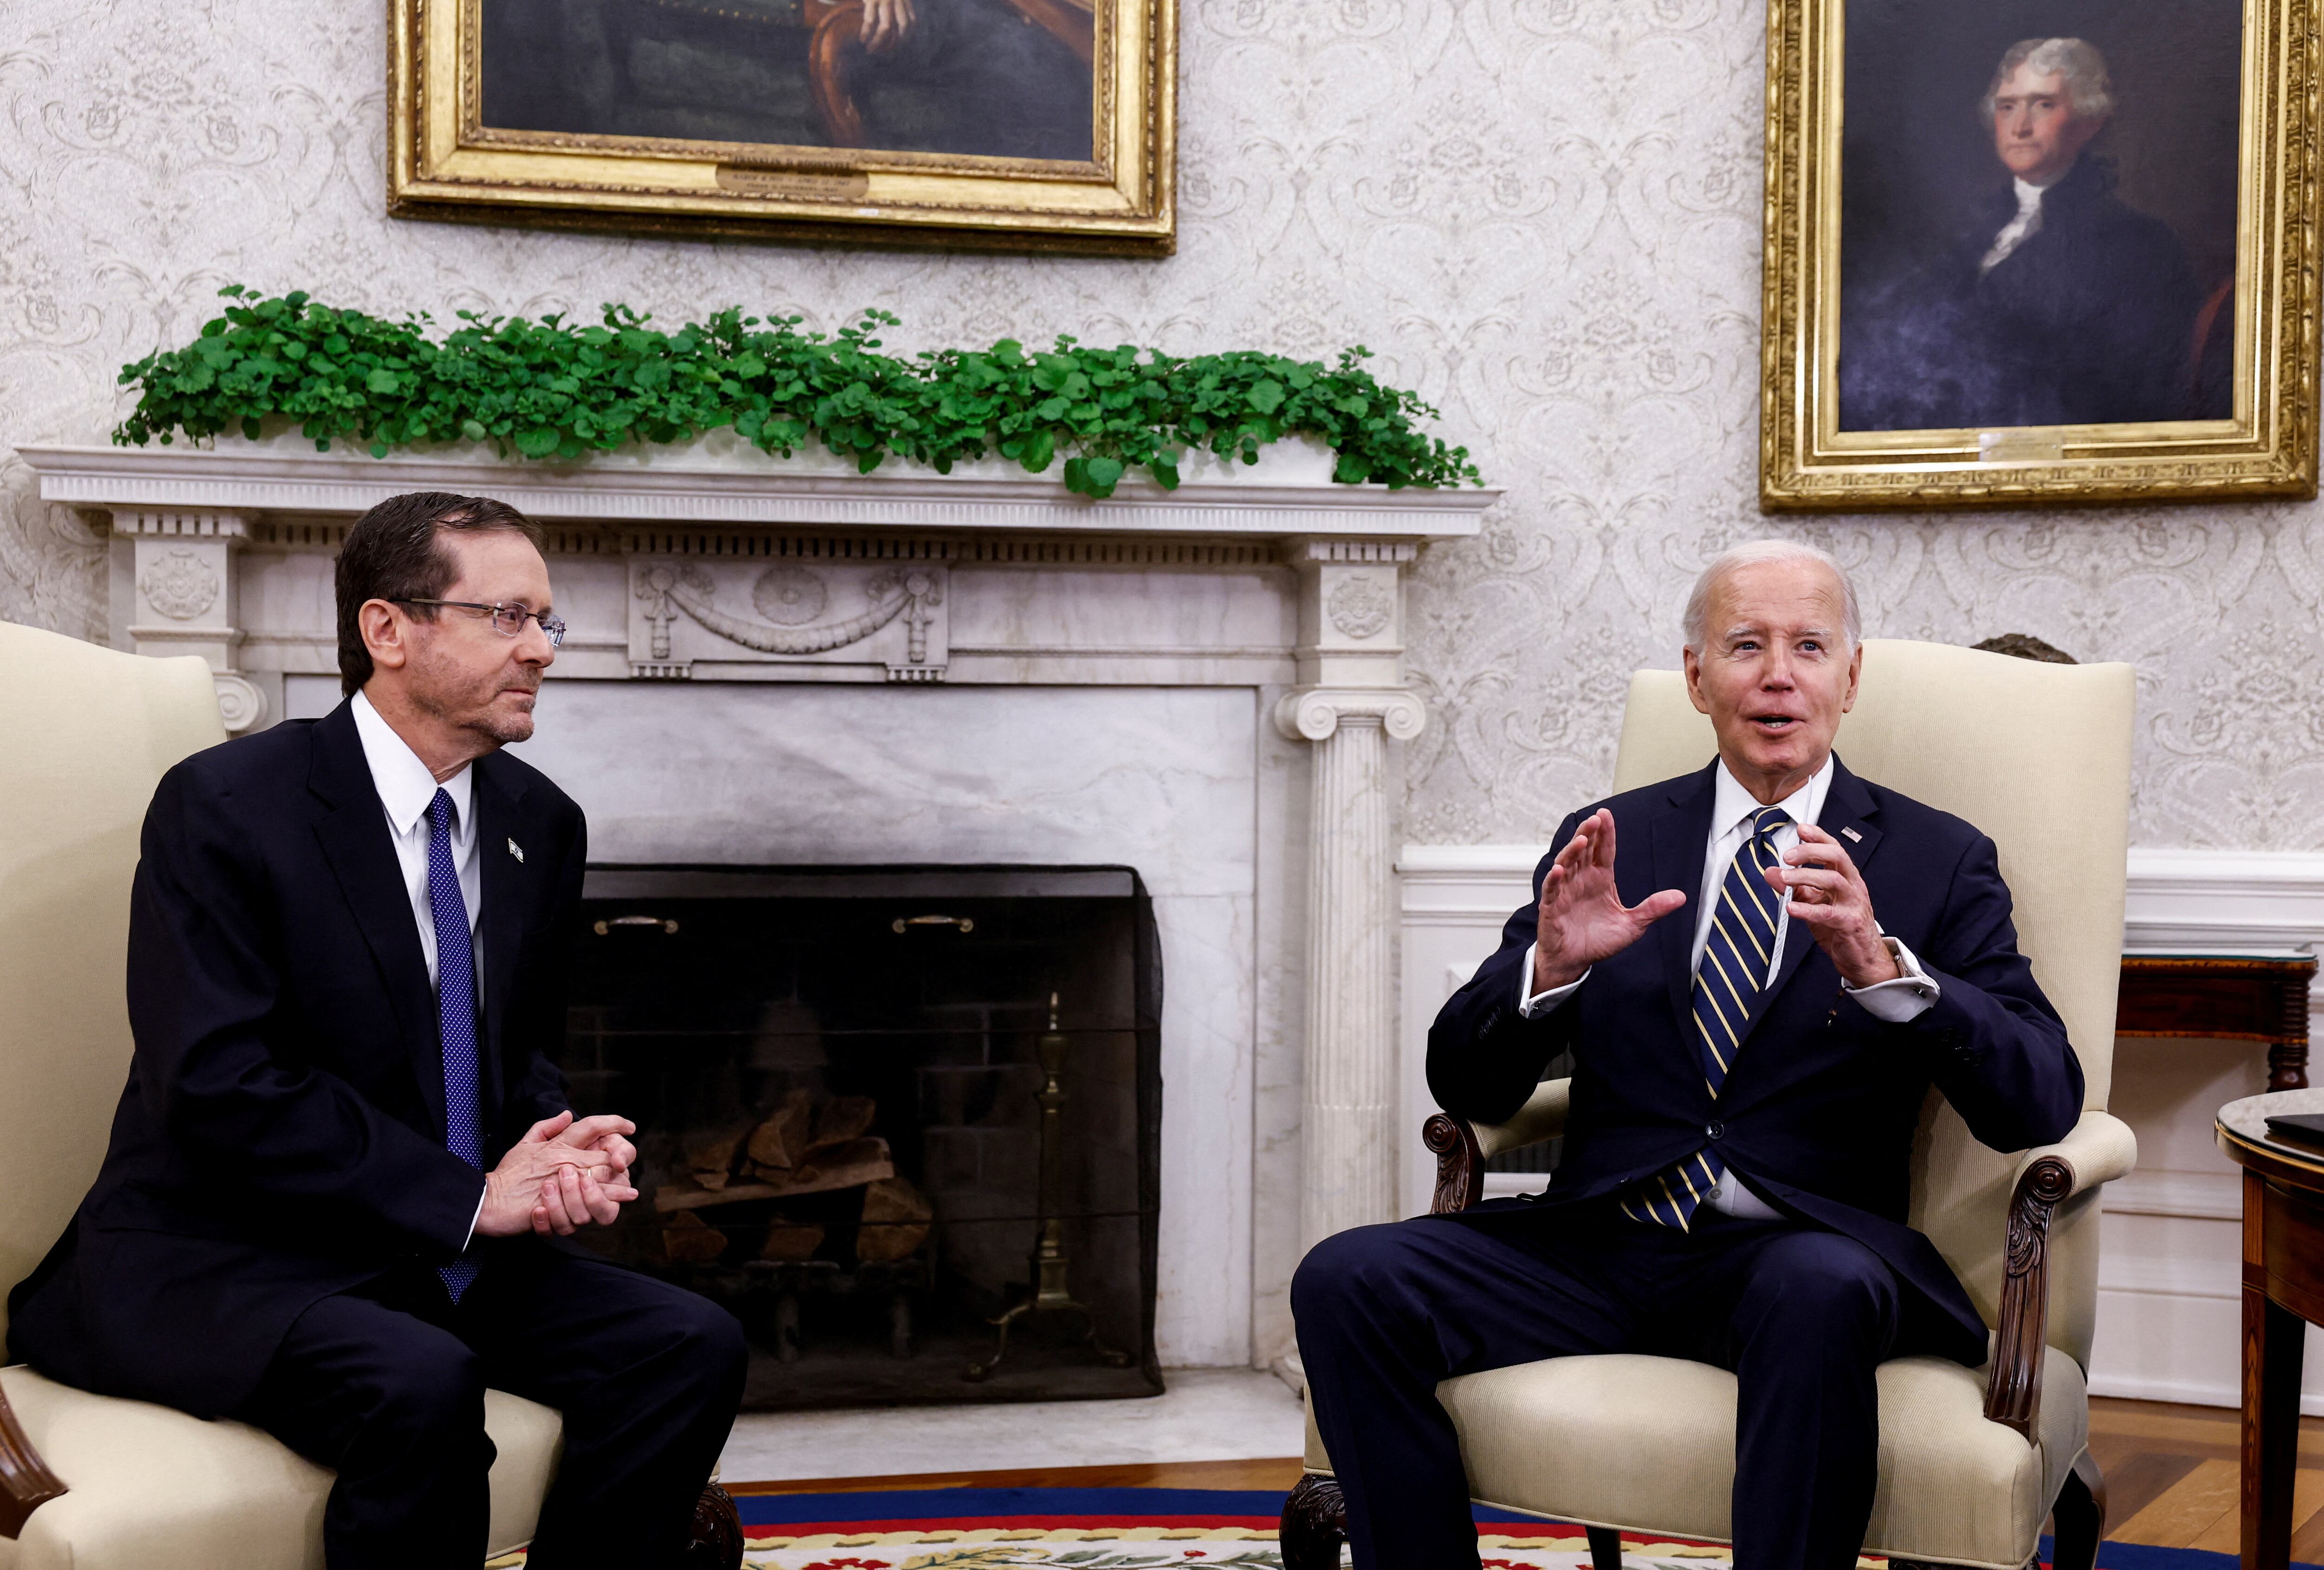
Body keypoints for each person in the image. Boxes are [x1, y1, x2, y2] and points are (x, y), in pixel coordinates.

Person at [1291, 540, 2083, 1570]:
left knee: (1817, 1287)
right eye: (1744, 644)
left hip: (1799, 1250)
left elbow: (2040, 1092)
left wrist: (1886, 968)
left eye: (1808, 645)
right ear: (1696, 675)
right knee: (1346, 1274)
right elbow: (1467, 1079)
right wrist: (1549, 969)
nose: (1776, 673)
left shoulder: (1935, 857)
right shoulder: (1610, 837)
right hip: (1599, 1243)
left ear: (1850, 674)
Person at [5, 492, 747, 1569]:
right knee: (418, 1379)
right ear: (388, 630)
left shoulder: (542, 821)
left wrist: (545, 1149)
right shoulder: (226, 804)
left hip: (418, 1249)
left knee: (688, 1344)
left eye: (548, 620)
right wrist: (467, 1198)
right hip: (219, 1253)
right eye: (506, 615)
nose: (541, 648)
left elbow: (518, 1050)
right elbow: (219, 1083)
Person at [1840, 37, 2211, 429]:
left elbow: (2135, 393)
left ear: (2090, 120)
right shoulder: (1969, 236)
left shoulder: (2140, 246)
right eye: (2008, 107)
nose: (2020, 127)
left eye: (2044, 105)